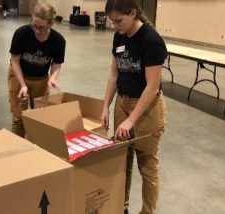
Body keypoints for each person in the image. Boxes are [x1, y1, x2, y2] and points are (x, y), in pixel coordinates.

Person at [100, 0, 167, 213]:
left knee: (147, 165)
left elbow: (153, 87)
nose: (114, 25)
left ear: (133, 13)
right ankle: (123, 206)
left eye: (118, 21)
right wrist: (105, 107)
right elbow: (113, 74)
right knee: (123, 160)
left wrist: (131, 120)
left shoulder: (151, 40)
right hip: (123, 102)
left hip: (147, 107)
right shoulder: (119, 36)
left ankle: (147, 211)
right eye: (112, 21)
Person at [8, 2, 66, 137]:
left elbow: (57, 64)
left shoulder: (58, 41)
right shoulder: (21, 34)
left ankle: (37, 150)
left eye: (42, 27)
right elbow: (15, 61)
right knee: (18, 118)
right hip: (18, 75)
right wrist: (22, 85)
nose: (37, 31)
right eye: (34, 25)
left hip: (40, 79)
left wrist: (53, 77)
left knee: (39, 117)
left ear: (51, 24)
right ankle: (17, 151)